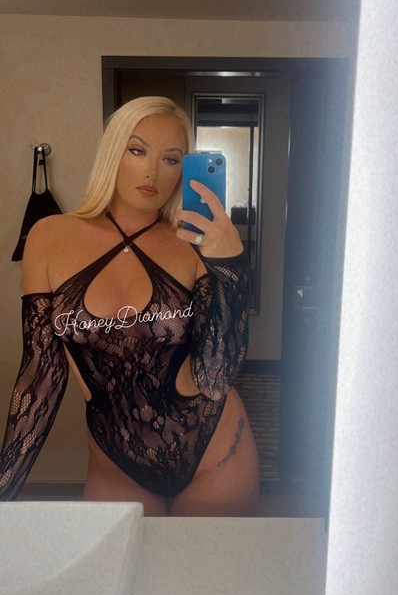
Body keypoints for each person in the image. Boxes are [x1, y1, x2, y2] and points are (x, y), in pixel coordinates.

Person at [0, 96, 259, 515]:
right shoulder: (49, 237)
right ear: (112, 152)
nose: (152, 171)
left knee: (206, 562)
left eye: (171, 159)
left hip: (213, 450)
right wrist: (5, 488)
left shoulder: (194, 243)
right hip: (117, 462)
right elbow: (41, 374)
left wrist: (231, 270)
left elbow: (215, 375)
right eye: (137, 150)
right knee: (118, 561)